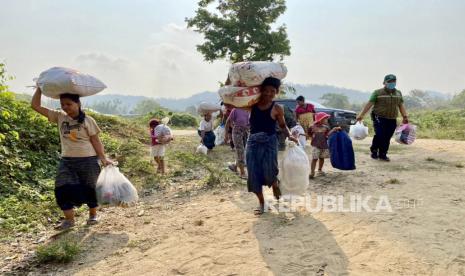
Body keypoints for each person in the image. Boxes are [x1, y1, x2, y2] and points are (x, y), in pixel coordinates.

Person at [31, 87, 112, 230]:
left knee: (90, 188)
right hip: (67, 161)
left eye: (69, 104)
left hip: (88, 160)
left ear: (78, 104)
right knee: (61, 188)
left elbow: (96, 141)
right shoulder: (60, 116)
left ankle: (93, 215)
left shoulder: (88, 120)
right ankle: (69, 220)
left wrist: (103, 158)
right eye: (62, 104)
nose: (65, 107)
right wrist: (39, 88)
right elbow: (35, 106)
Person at [246, 77, 298, 215]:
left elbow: (282, 125)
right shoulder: (252, 105)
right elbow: (231, 103)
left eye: (272, 91)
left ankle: (274, 183)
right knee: (253, 173)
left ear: (276, 92)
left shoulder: (277, 108)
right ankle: (262, 203)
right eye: (266, 90)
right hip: (252, 142)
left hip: (270, 141)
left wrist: (289, 135)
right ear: (261, 91)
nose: (269, 93)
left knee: (270, 170)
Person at [356, 74, 409, 161]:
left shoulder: (398, 93)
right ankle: (374, 150)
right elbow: (369, 104)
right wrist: (361, 115)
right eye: (389, 82)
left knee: (387, 136)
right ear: (384, 82)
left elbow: (401, 105)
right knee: (380, 135)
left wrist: (405, 116)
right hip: (379, 117)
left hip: (392, 118)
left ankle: (383, 154)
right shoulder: (377, 92)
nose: (392, 83)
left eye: (393, 81)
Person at [308, 112, 342, 179]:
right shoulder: (312, 127)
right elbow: (309, 133)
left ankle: (320, 170)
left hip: (323, 145)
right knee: (314, 158)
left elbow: (327, 135)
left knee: (321, 158)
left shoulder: (326, 127)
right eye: (325, 119)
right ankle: (312, 172)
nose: (327, 120)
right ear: (320, 119)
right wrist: (312, 136)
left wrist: (333, 129)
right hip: (315, 145)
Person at [225, 108, 250, 179]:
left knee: (242, 151)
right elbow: (228, 122)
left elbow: (248, 124)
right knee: (240, 150)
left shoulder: (248, 110)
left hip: (245, 132)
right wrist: (226, 135)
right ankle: (242, 173)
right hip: (237, 132)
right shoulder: (235, 110)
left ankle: (234, 167)